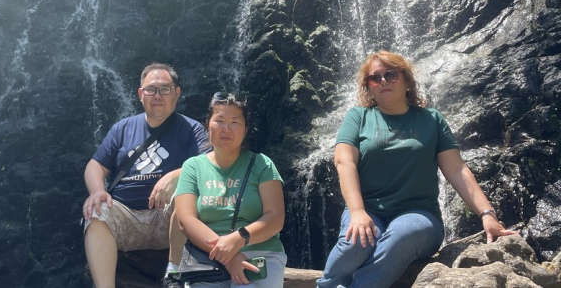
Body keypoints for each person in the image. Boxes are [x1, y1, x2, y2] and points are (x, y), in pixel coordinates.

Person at [317, 51, 516, 288]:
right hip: (367, 208)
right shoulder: (358, 116)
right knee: (356, 243)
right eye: (375, 78)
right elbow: (344, 161)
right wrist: (358, 211)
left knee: (403, 235)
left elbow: (457, 170)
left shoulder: (431, 119)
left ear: (407, 79)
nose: (383, 81)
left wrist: (487, 214)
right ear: (368, 86)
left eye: (391, 74)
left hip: (419, 215)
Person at [82, 63, 208, 288]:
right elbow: (95, 165)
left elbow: (207, 166)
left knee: (185, 193)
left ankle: (174, 275)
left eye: (165, 89)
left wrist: (174, 176)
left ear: (177, 93)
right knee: (96, 209)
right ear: (141, 94)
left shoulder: (192, 129)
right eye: (151, 89)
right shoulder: (122, 128)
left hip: (168, 220)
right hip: (126, 217)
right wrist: (98, 191)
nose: (157, 95)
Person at [175, 92, 287, 287]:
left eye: (235, 122)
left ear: (245, 130)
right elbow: (186, 220)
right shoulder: (193, 166)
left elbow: (275, 218)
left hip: (260, 254)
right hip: (207, 257)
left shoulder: (262, 164)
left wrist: (239, 239)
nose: (226, 129)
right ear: (207, 125)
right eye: (219, 121)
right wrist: (227, 254)